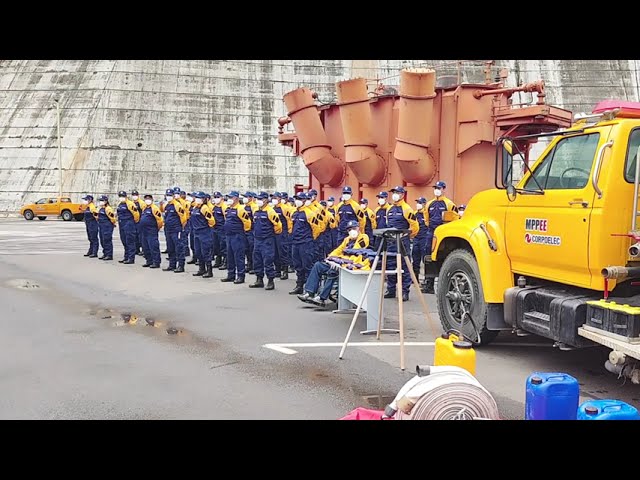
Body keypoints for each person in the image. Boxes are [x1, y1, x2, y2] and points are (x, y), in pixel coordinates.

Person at [298, 220, 369, 307]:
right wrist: (330, 258)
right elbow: (338, 250)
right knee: (318, 266)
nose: (352, 231)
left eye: (354, 228)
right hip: (339, 264)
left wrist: (338, 260)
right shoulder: (347, 239)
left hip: (351, 266)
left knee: (333, 271)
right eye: (349, 229)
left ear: (358, 228)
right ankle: (309, 292)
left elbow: (354, 252)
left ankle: (322, 298)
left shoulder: (363, 237)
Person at [384, 186, 419, 302]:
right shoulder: (389, 209)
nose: (394, 195)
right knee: (390, 264)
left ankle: (404, 292)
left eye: (397, 193)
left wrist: (408, 236)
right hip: (391, 241)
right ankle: (391, 290)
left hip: (403, 242)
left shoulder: (407, 209)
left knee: (405, 266)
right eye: (393, 192)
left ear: (402, 195)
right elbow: (388, 224)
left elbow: (415, 226)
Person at [422, 180, 457, 293]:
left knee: (442, 256)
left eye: (439, 188)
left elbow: (454, 218)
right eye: (435, 188)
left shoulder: (449, 204)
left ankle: (445, 285)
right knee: (428, 256)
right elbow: (426, 219)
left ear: (443, 189)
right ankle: (429, 284)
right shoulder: (429, 204)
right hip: (431, 232)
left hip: (443, 233)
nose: (437, 190)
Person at [288, 192, 322, 295]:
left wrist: (310, 239)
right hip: (295, 243)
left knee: (307, 266)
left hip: (306, 243)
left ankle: (309, 288)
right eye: (296, 198)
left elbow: (317, 228)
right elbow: (291, 226)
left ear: (304, 200)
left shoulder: (309, 213)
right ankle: (299, 285)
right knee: (298, 266)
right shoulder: (294, 212)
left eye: (299, 199)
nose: (297, 200)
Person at [249, 191, 283, 290]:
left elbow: (278, 225)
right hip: (257, 239)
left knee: (268, 260)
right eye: (258, 199)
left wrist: (271, 234)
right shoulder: (256, 211)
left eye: (260, 199)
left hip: (267, 240)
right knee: (257, 260)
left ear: (266, 200)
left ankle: (270, 280)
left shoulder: (271, 211)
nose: (258, 201)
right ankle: (259, 279)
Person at [221, 191, 252, 284]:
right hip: (229, 235)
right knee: (230, 256)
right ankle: (231, 275)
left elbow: (247, 222)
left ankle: (240, 276)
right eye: (229, 197)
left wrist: (242, 232)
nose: (229, 199)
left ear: (236, 198)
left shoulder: (240, 209)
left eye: (231, 197)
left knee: (238, 256)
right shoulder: (228, 209)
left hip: (237, 236)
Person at [160, 188, 188, 273]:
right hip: (168, 229)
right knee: (170, 247)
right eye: (167, 195)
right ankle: (172, 265)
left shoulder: (177, 205)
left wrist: (181, 227)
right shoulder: (167, 205)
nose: (168, 197)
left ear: (173, 196)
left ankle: (181, 266)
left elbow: (183, 217)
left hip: (176, 229)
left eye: (170, 195)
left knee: (179, 247)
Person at [191, 191, 217, 278]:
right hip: (196, 232)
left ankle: (209, 271)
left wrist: (207, 228)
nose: (197, 199)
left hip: (204, 232)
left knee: (205, 252)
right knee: (198, 251)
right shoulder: (195, 207)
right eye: (197, 197)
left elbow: (212, 221)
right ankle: (201, 269)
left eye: (200, 198)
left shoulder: (204, 208)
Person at [140, 194, 164, 269]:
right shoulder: (144, 208)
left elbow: (160, 220)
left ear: (152, 200)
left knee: (153, 246)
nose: (147, 200)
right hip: (144, 230)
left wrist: (157, 228)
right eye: (146, 199)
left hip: (151, 230)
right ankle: (149, 261)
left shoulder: (155, 208)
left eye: (149, 199)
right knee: (145, 246)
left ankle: (156, 262)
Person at [116, 191, 140, 264]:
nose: (121, 197)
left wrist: (133, 222)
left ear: (126, 196)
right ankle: (126, 257)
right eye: (120, 196)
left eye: (122, 196)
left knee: (130, 241)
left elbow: (136, 214)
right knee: (124, 241)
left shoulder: (130, 204)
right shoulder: (120, 204)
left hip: (128, 223)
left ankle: (131, 258)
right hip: (121, 223)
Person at [412, 197, 429, 286]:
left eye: (420, 203)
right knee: (415, 259)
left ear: (424, 204)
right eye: (417, 202)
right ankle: (415, 278)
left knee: (425, 260)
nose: (418, 204)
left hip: (424, 239)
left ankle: (426, 280)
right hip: (416, 238)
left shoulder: (426, 214)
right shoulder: (414, 214)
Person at [95, 195, 117, 260]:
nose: (101, 202)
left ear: (106, 201)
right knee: (102, 240)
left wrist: (113, 223)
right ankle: (105, 253)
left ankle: (109, 255)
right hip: (101, 225)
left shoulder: (108, 209)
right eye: (100, 200)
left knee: (107, 240)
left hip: (107, 226)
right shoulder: (101, 208)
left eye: (102, 200)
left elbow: (112, 217)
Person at [211, 191, 228, 270]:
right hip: (215, 228)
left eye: (218, 197)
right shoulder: (214, 206)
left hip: (222, 229)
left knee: (223, 245)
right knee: (216, 245)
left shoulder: (223, 206)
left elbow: (226, 218)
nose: (216, 199)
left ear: (221, 198)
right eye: (215, 197)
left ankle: (225, 261)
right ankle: (218, 260)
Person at [131, 189, 144, 256]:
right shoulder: (131, 203)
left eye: (135, 195)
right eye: (133, 195)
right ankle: (137, 249)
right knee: (135, 236)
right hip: (134, 221)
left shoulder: (141, 202)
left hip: (140, 221)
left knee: (141, 236)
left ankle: (143, 250)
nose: (134, 196)